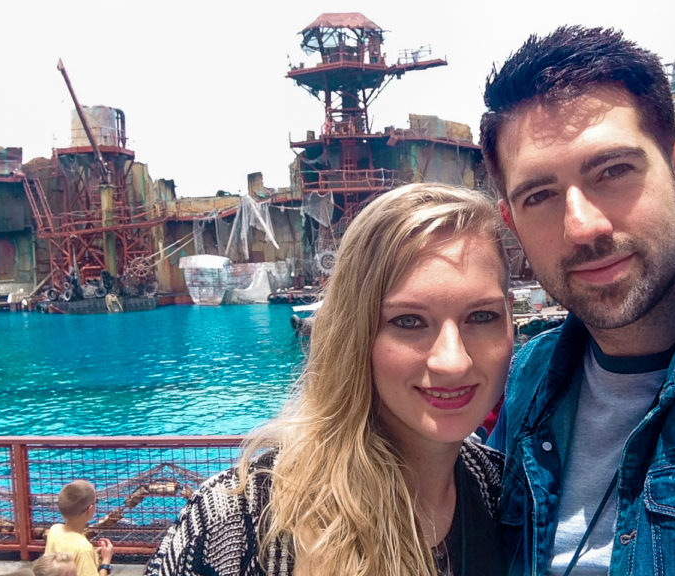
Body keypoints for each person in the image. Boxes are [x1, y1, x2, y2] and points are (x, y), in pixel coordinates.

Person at [480, 25, 675, 575]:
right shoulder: (525, 381)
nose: (582, 226)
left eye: (613, 172)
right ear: (512, 221)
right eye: (540, 195)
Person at [144, 183, 515, 575]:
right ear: (356, 332)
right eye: (408, 321)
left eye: (481, 317)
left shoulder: (510, 496)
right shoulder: (240, 520)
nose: (452, 362)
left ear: (509, 318)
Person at [45, 480, 114, 576]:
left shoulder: (54, 530)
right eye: (96, 501)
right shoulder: (83, 549)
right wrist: (106, 562)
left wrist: (93, 555)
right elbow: (80, 551)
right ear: (90, 510)